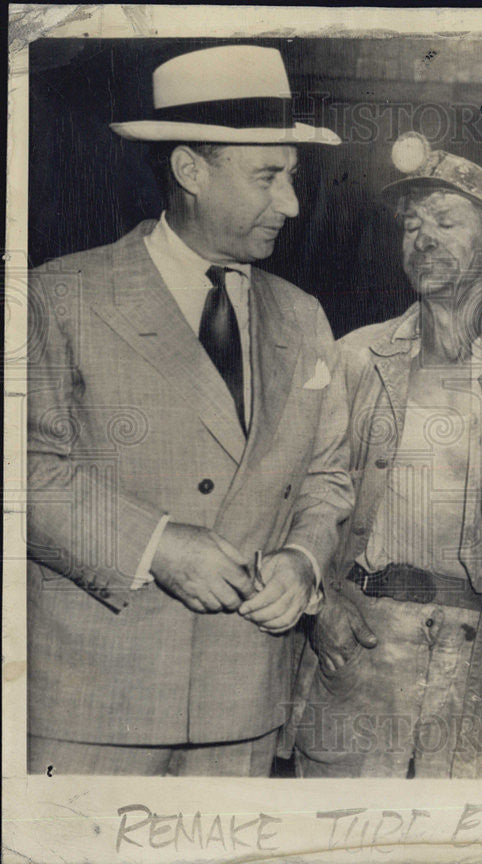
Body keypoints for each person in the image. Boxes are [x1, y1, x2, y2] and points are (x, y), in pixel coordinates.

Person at [27, 44, 354, 776]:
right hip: (92, 705)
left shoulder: (304, 318)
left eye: (291, 179)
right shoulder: (59, 298)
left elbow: (329, 477)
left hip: (244, 709)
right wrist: (158, 546)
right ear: (189, 170)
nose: (292, 205)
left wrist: (304, 563)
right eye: (268, 178)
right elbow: (24, 475)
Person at [292, 132, 482, 779]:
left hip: (477, 666)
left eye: (445, 221)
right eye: (411, 225)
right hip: (361, 655)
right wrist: (319, 606)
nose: (421, 237)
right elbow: (300, 499)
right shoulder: (354, 358)